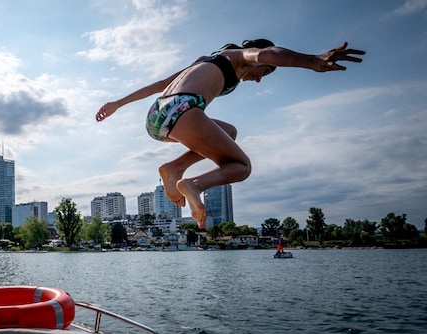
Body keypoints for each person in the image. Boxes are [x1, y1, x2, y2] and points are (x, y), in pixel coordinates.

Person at [95, 40, 364, 228]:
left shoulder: (204, 59)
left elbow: (162, 85)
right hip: (183, 109)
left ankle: (174, 167)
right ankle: (193, 184)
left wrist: (118, 103)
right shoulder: (238, 56)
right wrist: (312, 60)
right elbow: (269, 52)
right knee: (242, 166)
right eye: (265, 72)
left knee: (230, 131)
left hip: (156, 117)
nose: (259, 78)